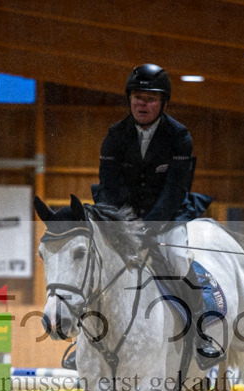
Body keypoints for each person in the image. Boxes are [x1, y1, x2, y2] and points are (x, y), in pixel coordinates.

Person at [75, 63, 217, 370]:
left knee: (179, 258)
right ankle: (81, 339)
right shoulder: (115, 135)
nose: (143, 103)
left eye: (151, 98)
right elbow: (109, 186)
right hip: (121, 215)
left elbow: (176, 188)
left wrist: (150, 226)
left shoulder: (179, 136)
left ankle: (202, 332)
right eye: (138, 96)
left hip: (166, 214)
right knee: (95, 260)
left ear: (164, 103)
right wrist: (123, 226)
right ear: (129, 99)